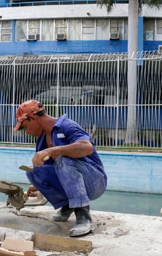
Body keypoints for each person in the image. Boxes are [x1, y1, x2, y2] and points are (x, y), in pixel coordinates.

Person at [14, 100, 107, 237]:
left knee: (64, 160)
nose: (27, 132)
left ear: (32, 118)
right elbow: (50, 169)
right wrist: (40, 185)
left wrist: (52, 151)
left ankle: (83, 215)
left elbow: (87, 147)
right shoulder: (42, 139)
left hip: (94, 181)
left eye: (25, 126)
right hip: (73, 177)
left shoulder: (66, 126)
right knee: (34, 172)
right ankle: (67, 205)